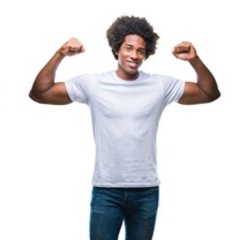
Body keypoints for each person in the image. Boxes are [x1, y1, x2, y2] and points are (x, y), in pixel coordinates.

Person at [28, 15, 220, 240]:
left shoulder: (159, 85)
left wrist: (194, 61)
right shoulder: (93, 84)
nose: (135, 55)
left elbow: (209, 93)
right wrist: (60, 54)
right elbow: (40, 93)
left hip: (146, 190)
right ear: (116, 48)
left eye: (141, 51)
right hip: (106, 190)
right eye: (129, 48)